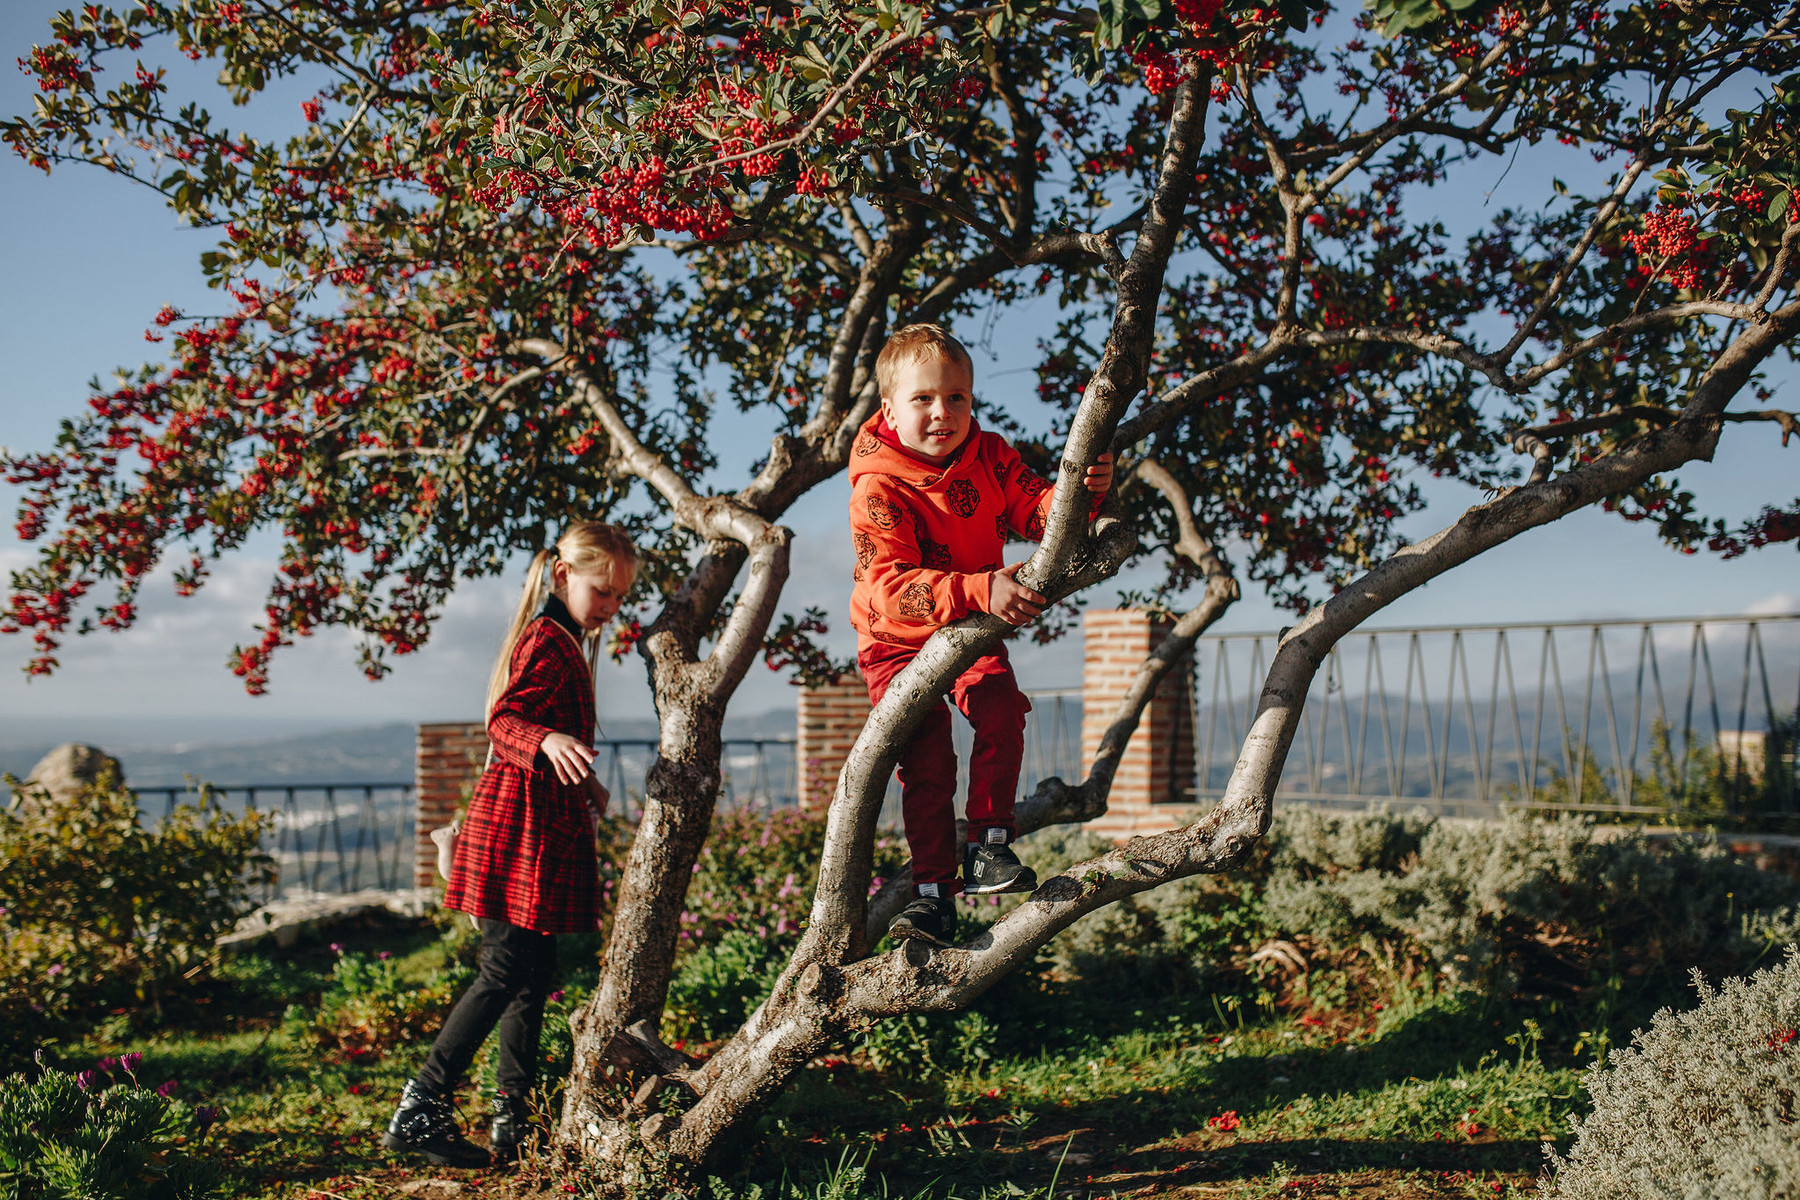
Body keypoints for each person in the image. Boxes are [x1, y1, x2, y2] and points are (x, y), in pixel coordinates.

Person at [849, 324, 1111, 948]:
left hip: (968, 621)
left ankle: (990, 846)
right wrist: (980, 588)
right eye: (924, 399)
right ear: (889, 408)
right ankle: (935, 895)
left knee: (999, 708)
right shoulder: (878, 486)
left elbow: (1037, 513)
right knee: (929, 757)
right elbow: (890, 587)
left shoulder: (989, 455)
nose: (944, 412)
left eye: (958, 397)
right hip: (897, 638)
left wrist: (1084, 491)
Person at [384, 521, 636, 1167]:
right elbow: (503, 718)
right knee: (504, 972)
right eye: (602, 591)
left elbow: (542, 731)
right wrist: (547, 742)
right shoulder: (547, 640)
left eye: (618, 598)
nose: (610, 607)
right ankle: (421, 1106)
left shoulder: (566, 640)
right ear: (562, 576)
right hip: (515, 836)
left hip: (537, 833)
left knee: (532, 978)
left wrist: (585, 784)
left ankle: (512, 1123)